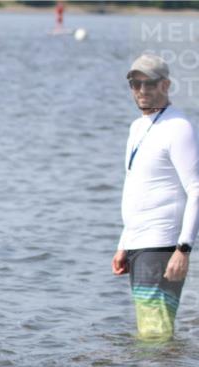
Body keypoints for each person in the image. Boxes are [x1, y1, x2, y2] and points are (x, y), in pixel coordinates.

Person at [113, 54, 197, 340]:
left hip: (162, 244)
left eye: (149, 84)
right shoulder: (138, 127)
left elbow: (196, 189)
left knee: (154, 333)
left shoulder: (178, 128)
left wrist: (183, 250)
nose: (141, 91)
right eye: (135, 84)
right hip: (139, 241)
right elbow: (137, 186)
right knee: (152, 331)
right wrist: (125, 242)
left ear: (166, 85)